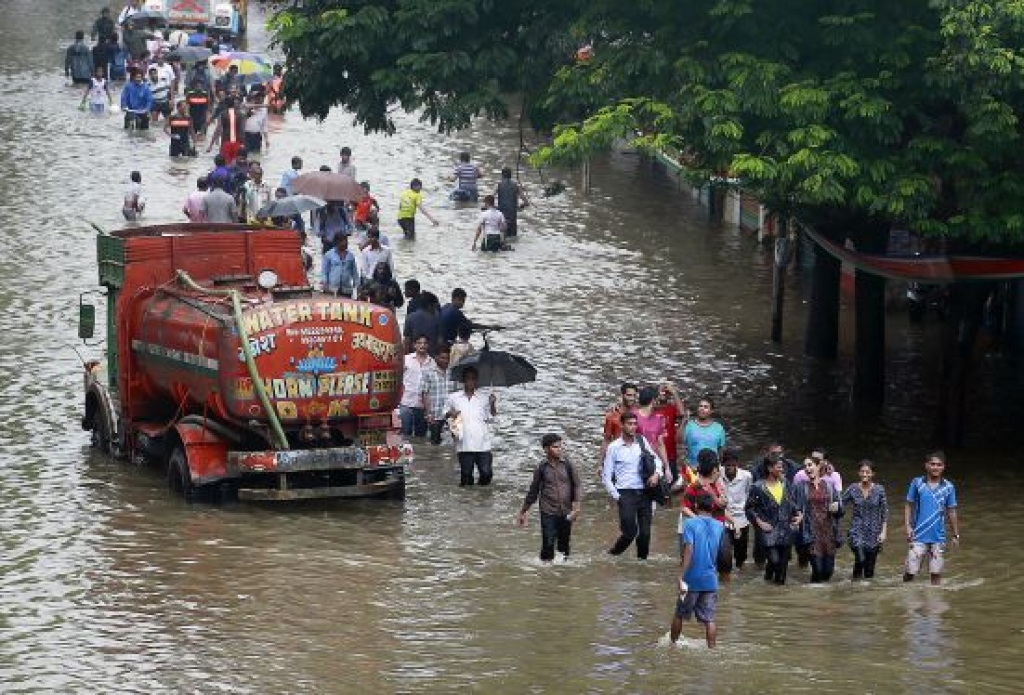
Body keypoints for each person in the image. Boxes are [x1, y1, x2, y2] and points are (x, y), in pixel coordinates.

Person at [602, 411, 665, 560]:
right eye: (629, 424)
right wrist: (617, 496)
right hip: (625, 493)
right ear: (622, 425)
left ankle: (642, 565)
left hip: (645, 492)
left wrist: (656, 474)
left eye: (635, 424)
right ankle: (612, 555)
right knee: (629, 532)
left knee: (645, 534)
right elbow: (606, 476)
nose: (633, 427)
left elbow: (657, 461)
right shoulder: (613, 447)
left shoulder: (642, 441)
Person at [671, 493, 726, 648]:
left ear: (696, 506)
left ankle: (672, 647)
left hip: (691, 578)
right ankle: (712, 650)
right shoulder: (720, 526)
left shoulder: (690, 524)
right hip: (710, 578)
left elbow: (689, 549)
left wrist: (681, 575)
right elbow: (722, 552)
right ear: (712, 508)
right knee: (709, 619)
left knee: (679, 614)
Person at [517, 434, 582, 563]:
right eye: (555, 447)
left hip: (566, 510)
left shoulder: (568, 464)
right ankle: (545, 572)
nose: (559, 449)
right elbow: (533, 490)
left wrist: (577, 506)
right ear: (546, 449)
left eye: (560, 446)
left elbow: (577, 485)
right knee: (548, 543)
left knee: (564, 545)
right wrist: (524, 511)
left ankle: (561, 575)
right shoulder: (541, 467)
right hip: (548, 511)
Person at [904, 452, 959, 585]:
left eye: (939, 465)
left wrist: (955, 535)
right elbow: (908, 504)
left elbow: (951, 511)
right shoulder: (917, 483)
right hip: (918, 535)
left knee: (936, 575)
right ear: (926, 466)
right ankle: (908, 598)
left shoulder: (948, 487)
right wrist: (907, 526)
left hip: (938, 537)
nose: (935, 467)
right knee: (910, 573)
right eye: (932, 464)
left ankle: (933, 602)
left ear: (943, 467)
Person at [745, 456, 802, 584]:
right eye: (779, 467)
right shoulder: (758, 487)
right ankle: (769, 578)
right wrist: (760, 523)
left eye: (782, 467)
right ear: (770, 468)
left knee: (781, 575)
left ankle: (774, 592)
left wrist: (799, 515)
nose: (782, 469)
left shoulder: (786, 484)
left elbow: (793, 503)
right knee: (775, 562)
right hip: (768, 532)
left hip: (786, 531)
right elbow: (749, 509)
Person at [444, 366, 497, 486]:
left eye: (473, 379)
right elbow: (445, 412)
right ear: (463, 380)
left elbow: (491, 417)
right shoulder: (454, 397)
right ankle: (467, 501)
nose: (470, 382)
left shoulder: (484, 398)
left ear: (476, 380)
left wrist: (493, 404)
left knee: (486, 473)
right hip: (464, 442)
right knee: (466, 476)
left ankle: (481, 497)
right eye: (468, 379)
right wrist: (451, 413)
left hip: (482, 442)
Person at [793, 456, 843, 583]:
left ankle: (816, 593)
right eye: (805, 466)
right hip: (811, 533)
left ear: (818, 466)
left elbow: (841, 510)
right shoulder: (800, 487)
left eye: (810, 465)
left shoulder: (830, 485)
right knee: (818, 571)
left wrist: (837, 508)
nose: (807, 468)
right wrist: (797, 515)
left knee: (828, 572)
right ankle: (813, 595)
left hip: (829, 533)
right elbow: (793, 506)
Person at [842, 459, 888, 580]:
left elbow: (884, 512)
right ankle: (855, 583)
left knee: (869, 572)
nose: (865, 474)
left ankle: (860, 590)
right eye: (862, 472)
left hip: (874, 533)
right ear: (858, 473)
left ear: (873, 474)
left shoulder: (879, 489)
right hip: (856, 531)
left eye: (868, 472)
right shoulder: (853, 488)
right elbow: (841, 503)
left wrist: (883, 532)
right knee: (861, 559)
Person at [720, 448, 753, 570]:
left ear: (737, 464)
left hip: (742, 519)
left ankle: (740, 571)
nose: (729, 468)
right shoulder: (718, 474)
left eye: (732, 465)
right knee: (725, 551)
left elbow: (750, 494)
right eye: (727, 465)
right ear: (723, 464)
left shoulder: (746, 476)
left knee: (741, 556)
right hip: (724, 518)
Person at [400, 335, 436, 439]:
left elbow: (432, 386)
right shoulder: (406, 359)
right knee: (405, 435)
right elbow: (397, 378)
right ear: (414, 345)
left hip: (422, 406)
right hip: (406, 402)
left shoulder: (432, 363)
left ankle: (419, 455)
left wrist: (430, 409)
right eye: (419, 343)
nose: (422, 345)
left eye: (425, 343)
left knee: (421, 436)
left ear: (428, 345)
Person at [598, 382, 639, 473]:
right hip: (617, 458)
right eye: (629, 395)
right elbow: (606, 440)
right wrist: (600, 464)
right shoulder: (612, 415)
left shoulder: (639, 413)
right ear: (622, 395)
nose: (631, 398)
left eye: (634, 395)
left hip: (635, 459)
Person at [680, 449, 728, 523]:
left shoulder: (718, 484)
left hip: (718, 527)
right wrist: (700, 521)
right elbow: (684, 508)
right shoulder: (696, 486)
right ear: (714, 469)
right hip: (706, 529)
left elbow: (723, 505)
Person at [422, 344, 456, 445]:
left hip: (452, 413)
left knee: (458, 440)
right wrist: (428, 413)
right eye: (443, 358)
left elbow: (457, 393)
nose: (445, 361)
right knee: (435, 442)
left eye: (447, 358)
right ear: (436, 357)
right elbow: (425, 394)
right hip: (436, 413)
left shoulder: (453, 373)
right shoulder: (428, 373)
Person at [653, 381, 686, 484]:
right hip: (654, 455)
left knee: (670, 485)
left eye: (666, 392)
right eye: (662, 391)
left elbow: (682, 413)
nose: (664, 393)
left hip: (670, 455)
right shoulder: (651, 409)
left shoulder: (671, 408)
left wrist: (674, 392)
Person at [682, 396, 726, 471]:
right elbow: (679, 444)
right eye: (700, 406)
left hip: (712, 471)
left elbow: (721, 451)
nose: (702, 408)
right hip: (692, 469)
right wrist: (683, 422)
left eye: (706, 407)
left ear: (711, 411)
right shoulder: (689, 425)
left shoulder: (719, 428)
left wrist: (717, 467)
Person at [636, 386, 670, 469]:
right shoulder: (634, 416)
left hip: (654, 462)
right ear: (653, 400)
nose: (659, 401)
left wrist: (667, 467)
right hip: (636, 461)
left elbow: (660, 444)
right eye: (658, 399)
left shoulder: (659, 418)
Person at [207, 96, 245, 164]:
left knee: (225, 164)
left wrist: (211, 145)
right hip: (237, 143)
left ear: (225, 105)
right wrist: (243, 144)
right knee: (236, 165)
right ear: (233, 104)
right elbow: (242, 130)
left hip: (226, 143)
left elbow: (218, 130)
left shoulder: (222, 114)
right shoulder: (241, 114)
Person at [495, 167, 531, 237]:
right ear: (511, 175)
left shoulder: (499, 185)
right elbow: (526, 202)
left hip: (502, 214)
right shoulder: (516, 186)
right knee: (513, 237)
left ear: (502, 175)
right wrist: (521, 206)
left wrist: (493, 207)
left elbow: (491, 197)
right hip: (512, 215)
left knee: (503, 237)